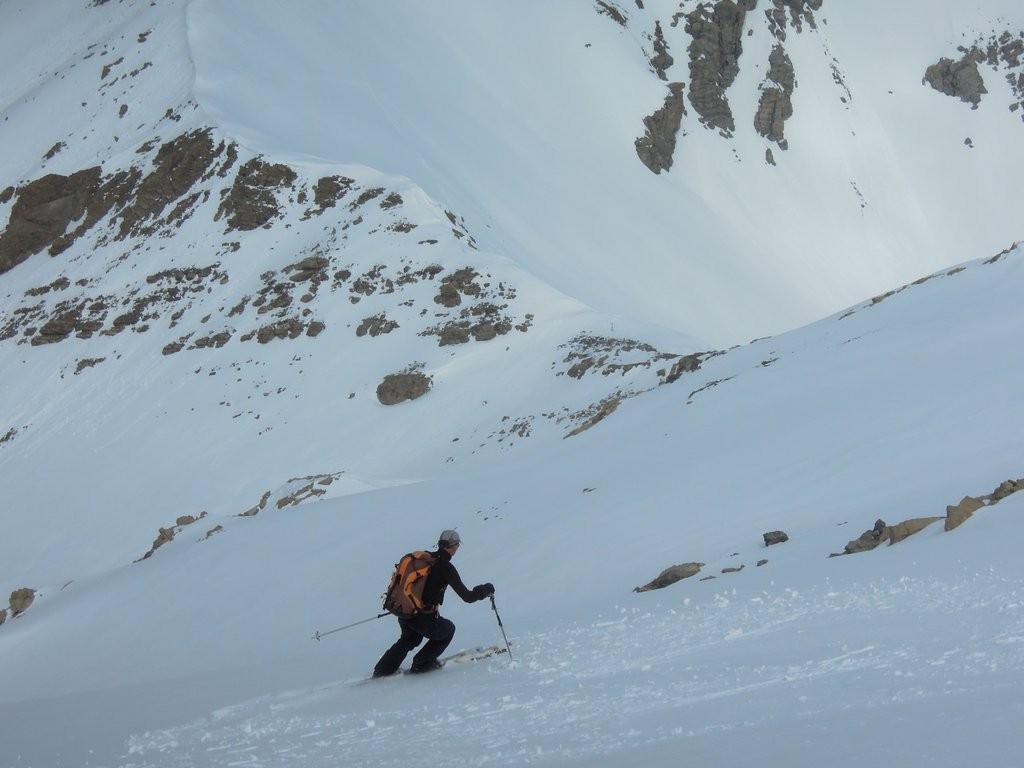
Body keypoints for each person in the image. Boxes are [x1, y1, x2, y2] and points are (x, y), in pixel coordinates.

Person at [373, 529, 494, 677]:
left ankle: (382, 670)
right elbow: (467, 597)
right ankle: (421, 664)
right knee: (448, 630)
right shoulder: (446, 568)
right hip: (423, 616)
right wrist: (485, 590)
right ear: (454, 546)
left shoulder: (425, 559)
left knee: (410, 639)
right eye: (457, 546)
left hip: (406, 611)